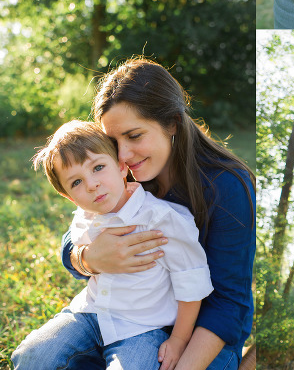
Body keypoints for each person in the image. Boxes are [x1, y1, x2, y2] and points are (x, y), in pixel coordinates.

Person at [53, 58, 257, 370]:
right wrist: (89, 258)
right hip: (129, 321)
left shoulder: (227, 187)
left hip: (202, 333)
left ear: (172, 123)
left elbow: (229, 304)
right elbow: (76, 235)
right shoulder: (122, 172)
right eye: (113, 141)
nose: (122, 155)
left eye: (134, 136)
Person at [12, 120, 213, 370]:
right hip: (89, 314)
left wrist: (179, 340)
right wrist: (86, 259)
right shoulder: (85, 217)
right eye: (76, 182)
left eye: (98, 167)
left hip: (142, 328)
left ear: (120, 166)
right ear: (68, 196)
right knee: (32, 356)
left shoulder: (162, 219)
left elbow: (191, 283)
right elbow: (77, 253)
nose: (91, 184)